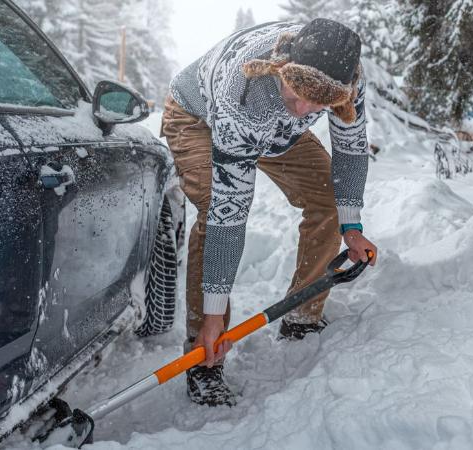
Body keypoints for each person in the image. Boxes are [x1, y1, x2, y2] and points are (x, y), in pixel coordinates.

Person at [160, 18, 378, 407]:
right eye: (296, 94)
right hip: (197, 117)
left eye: (318, 103)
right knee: (215, 211)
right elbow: (231, 213)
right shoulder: (243, 88)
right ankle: (203, 353)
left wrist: (351, 225)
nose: (304, 110)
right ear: (280, 67)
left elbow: (350, 146)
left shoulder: (347, 81)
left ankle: (301, 316)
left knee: (327, 198)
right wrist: (213, 313)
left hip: (275, 132)